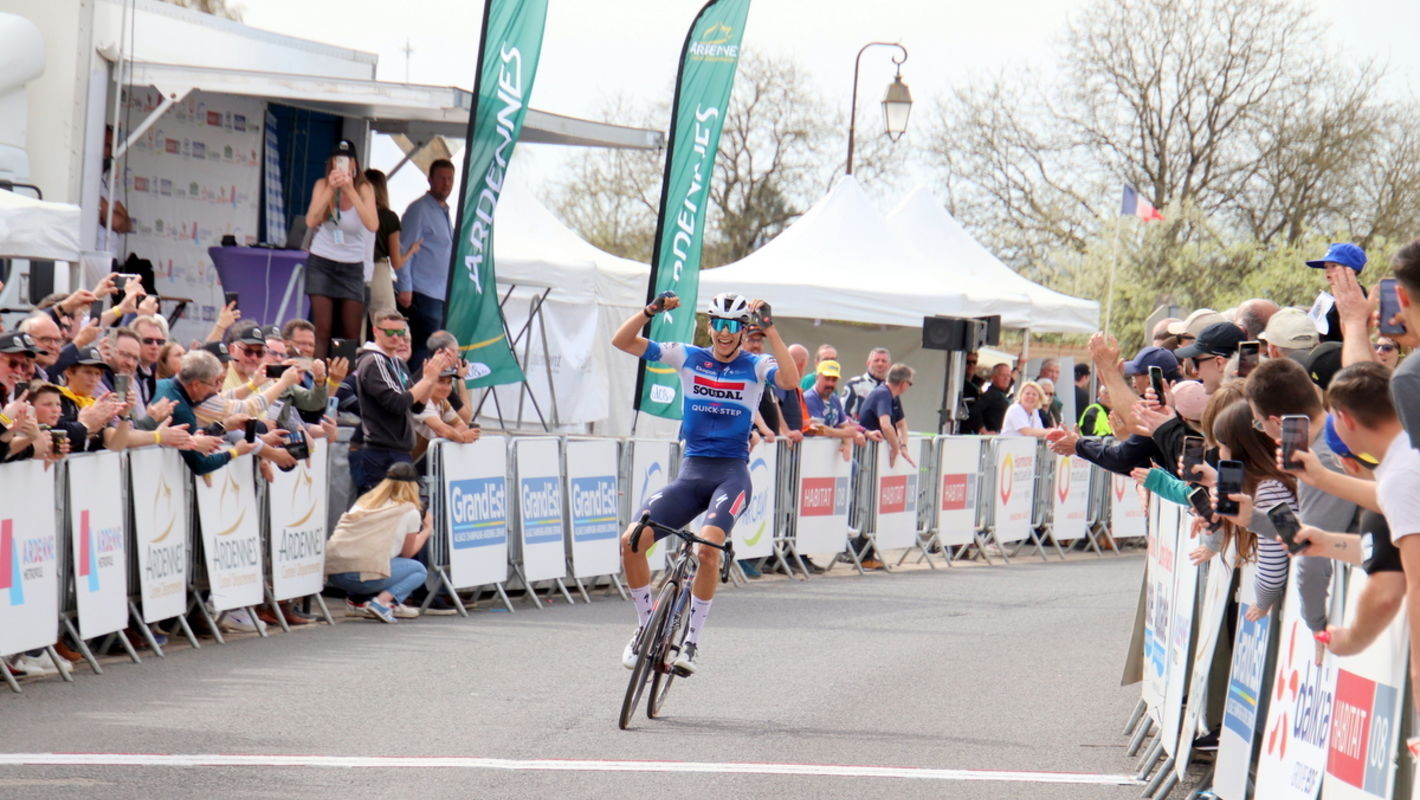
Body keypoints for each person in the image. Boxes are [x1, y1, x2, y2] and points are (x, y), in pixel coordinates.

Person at [611, 291, 799, 676]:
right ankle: (645, 626)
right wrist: (651, 311)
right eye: (719, 324)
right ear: (710, 327)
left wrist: (770, 328)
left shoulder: (756, 364)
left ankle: (692, 641)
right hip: (692, 472)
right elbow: (622, 342)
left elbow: (792, 379)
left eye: (733, 326)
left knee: (709, 550)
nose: (725, 333)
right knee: (632, 540)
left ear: (743, 330)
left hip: (731, 474)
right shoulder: (688, 356)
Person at [1243, 357, 1359, 638]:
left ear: (1275, 421)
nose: (1265, 433)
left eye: (1259, 424)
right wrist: (1250, 518)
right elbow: (1311, 531)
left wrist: (1316, 626)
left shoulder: (1322, 457)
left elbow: (1313, 551)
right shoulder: (1334, 435)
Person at [349, 312, 453, 495]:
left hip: (399, 449)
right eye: (389, 332)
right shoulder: (374, 361)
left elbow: (416, 406)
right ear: (376, 331)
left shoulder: (398, 363)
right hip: (381, 450)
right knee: (379, 511)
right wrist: (427, 378)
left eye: (400, 332)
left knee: (402, 511)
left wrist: (431, 377)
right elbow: (396, 402)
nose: (396, 337)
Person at [324, 461, 432, 624]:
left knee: (377, 558)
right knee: (418, 570)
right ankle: (384, 603)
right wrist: (426, 531)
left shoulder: (364, 502)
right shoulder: (410, 511)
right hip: (361, 575)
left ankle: (358, 602)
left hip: (335, 572)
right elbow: (408, 553)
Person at [303, 139, 377, 358]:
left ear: (354, 164)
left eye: (347, 160)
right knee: (323, 329)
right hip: (322, 261)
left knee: (350, 333)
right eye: (338, 159)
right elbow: (311, 220)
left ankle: (345, 385)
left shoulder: (364, 188)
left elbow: (372, 224)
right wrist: (332, 189)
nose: (343, 164)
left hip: (352, 265)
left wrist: (349, 190)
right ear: (332, 162)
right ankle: (317, 382)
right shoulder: (322, 185)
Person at [151, 350, 256, 476]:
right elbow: (200, 465)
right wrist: (235, 452)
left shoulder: (161, 384)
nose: (217, 389)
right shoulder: (181, 409)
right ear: (196, 385)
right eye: (214, 383)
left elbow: (189, 437)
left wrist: (224, 425)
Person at [396, 158, 456, 368]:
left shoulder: (444, 212)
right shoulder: (419, 210)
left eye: (450, 179)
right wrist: (405, 286)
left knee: (433, 350)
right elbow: (404, 248)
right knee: (421, 348)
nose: (446, 184)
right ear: (430, 179)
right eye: (441, 178)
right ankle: (412, 393)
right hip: (422, 293)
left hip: (439, 294)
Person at [363, 169, 419, 324]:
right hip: (378, 271)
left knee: (353, 324)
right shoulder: (389, 217)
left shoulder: (356, 213)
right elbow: (397, 262)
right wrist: (411, 251)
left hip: (354, 269)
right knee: (386, 323)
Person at [802, 360, 867, 460]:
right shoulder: (809, 398)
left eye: (834, 380)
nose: (830, 384)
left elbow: (845, 425)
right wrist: (844, 434)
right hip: (811, 456)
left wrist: (847, 445)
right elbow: (818, 429)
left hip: (830, 455)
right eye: (827, 379)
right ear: (817, 377)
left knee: (853, 466)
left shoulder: (834, 399)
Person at [1305, 242, 1367, 345]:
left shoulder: (1357, 296)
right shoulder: (1330, 297)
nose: (1328, 271)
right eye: (1326, 267)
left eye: (1333, 266)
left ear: (1352, 270)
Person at [858, 363, 915, 467]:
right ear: (904, 383)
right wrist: (895, 448)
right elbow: (886, 426)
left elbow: (901, 424)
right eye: (910, 384)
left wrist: (903, 446)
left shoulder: (893, 396)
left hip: (877, 454)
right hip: (867, 455)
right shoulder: (883, 393)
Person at [843, 347, 890, 419]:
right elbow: (842, 414)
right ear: (868, 363)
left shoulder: (891, 388)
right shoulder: (854, 384)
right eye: (876, 360)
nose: (880, 364)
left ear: (889, 365)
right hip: (858, 429)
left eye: (884, 361)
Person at [976, 363, 1013, 435]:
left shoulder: (1001, 394)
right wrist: (984, 431)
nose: (1006, 379)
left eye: (1008, 376)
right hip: (993, 439)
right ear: (994, 377)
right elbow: (974, 412)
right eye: (1003, 375)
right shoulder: (991, 394)